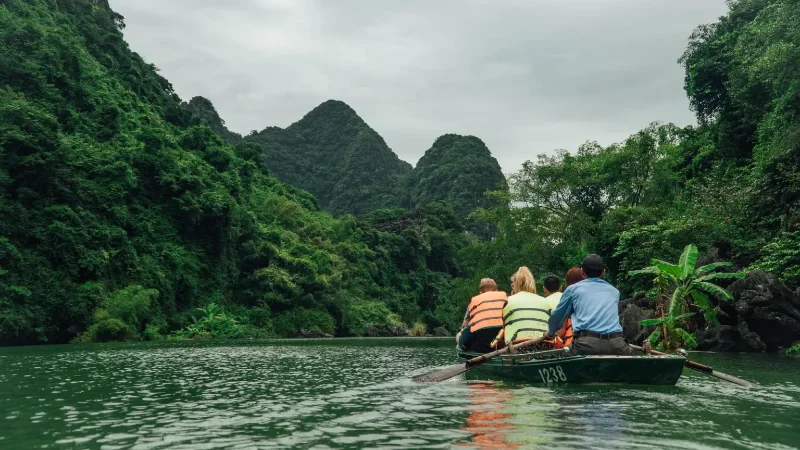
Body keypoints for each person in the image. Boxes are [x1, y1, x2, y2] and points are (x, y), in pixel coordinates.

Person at [547, 255, 631, 355]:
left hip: (586, 345)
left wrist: (550, 333)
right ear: (603, 272)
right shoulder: (615, 291)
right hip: (617, 344)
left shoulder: (573, 290)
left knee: (559, 356)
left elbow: (557, 317)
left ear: (582, 272)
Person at [493, 267, 559, 349]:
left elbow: (504, 326)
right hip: (545, 347)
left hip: (517, 348)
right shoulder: (545, 302)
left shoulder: (508, 301)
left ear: (515, 284)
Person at [456, 278, 507, 353]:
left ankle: (465, 349)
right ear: (497, 290)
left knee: (459, 334)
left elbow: (464, 325)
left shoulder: (475, 301)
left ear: (480, 292)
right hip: (502, 334)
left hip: (481, 336)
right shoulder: (506, 298)